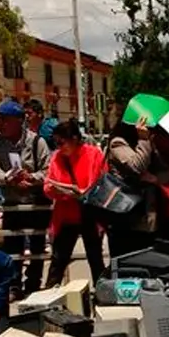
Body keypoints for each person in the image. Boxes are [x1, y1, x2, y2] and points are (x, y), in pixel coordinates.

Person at [0, 99, 51, 300]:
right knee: (12, 246)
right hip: (12, 202)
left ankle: (34, 282)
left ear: (19, 121)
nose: (0, 123)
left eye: (5, 119)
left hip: (36, 201)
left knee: (38, 244)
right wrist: (8, 178)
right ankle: (14, 284)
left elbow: (47, 170)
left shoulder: (37, 141)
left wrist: (32, 178)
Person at [43, 119, 107, 287]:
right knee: (58, 261)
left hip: (90, 214)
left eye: (61, 142)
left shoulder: (94, 154)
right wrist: (61, 192)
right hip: (66, 216)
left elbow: (102, 181)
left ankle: (102, 293)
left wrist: (85, 192)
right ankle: (48, 296)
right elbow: (48, 186)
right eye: (56, 143)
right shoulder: (56, 157)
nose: (59, 147)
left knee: (95, 259)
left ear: (75, 138)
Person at [105, 118, 165, 257]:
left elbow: (165, 173)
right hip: (127, 216)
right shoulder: (118, 143)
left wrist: (156, 178)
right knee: (129, 263)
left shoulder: (149, 142)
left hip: (149, 213)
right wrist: (143, 140)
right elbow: (137, 167)